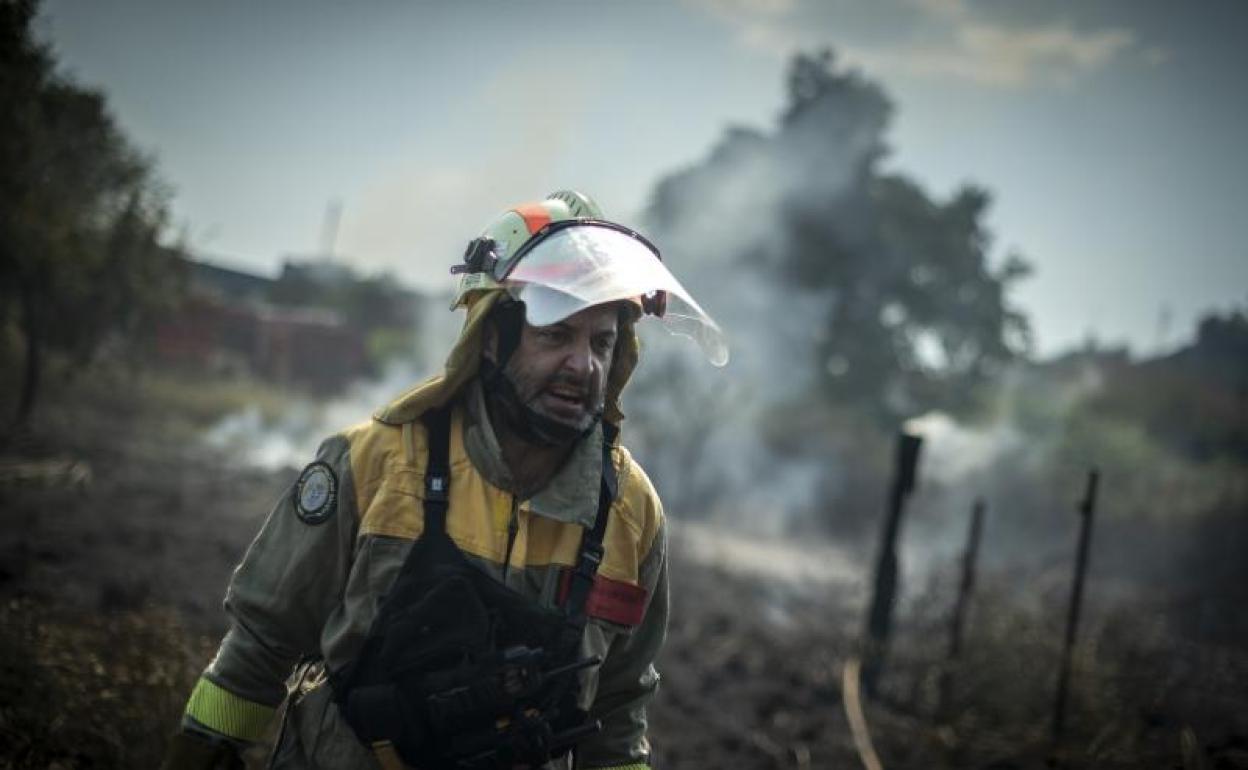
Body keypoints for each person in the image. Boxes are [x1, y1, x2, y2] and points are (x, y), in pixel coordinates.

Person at [162, 190, 727, 770]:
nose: (583, 365)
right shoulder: (375, 462)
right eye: (556, 334)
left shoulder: (630, 514)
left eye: (601, 342)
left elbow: (620, 713)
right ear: (491, 336)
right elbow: (261, 646)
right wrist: (202, 750)